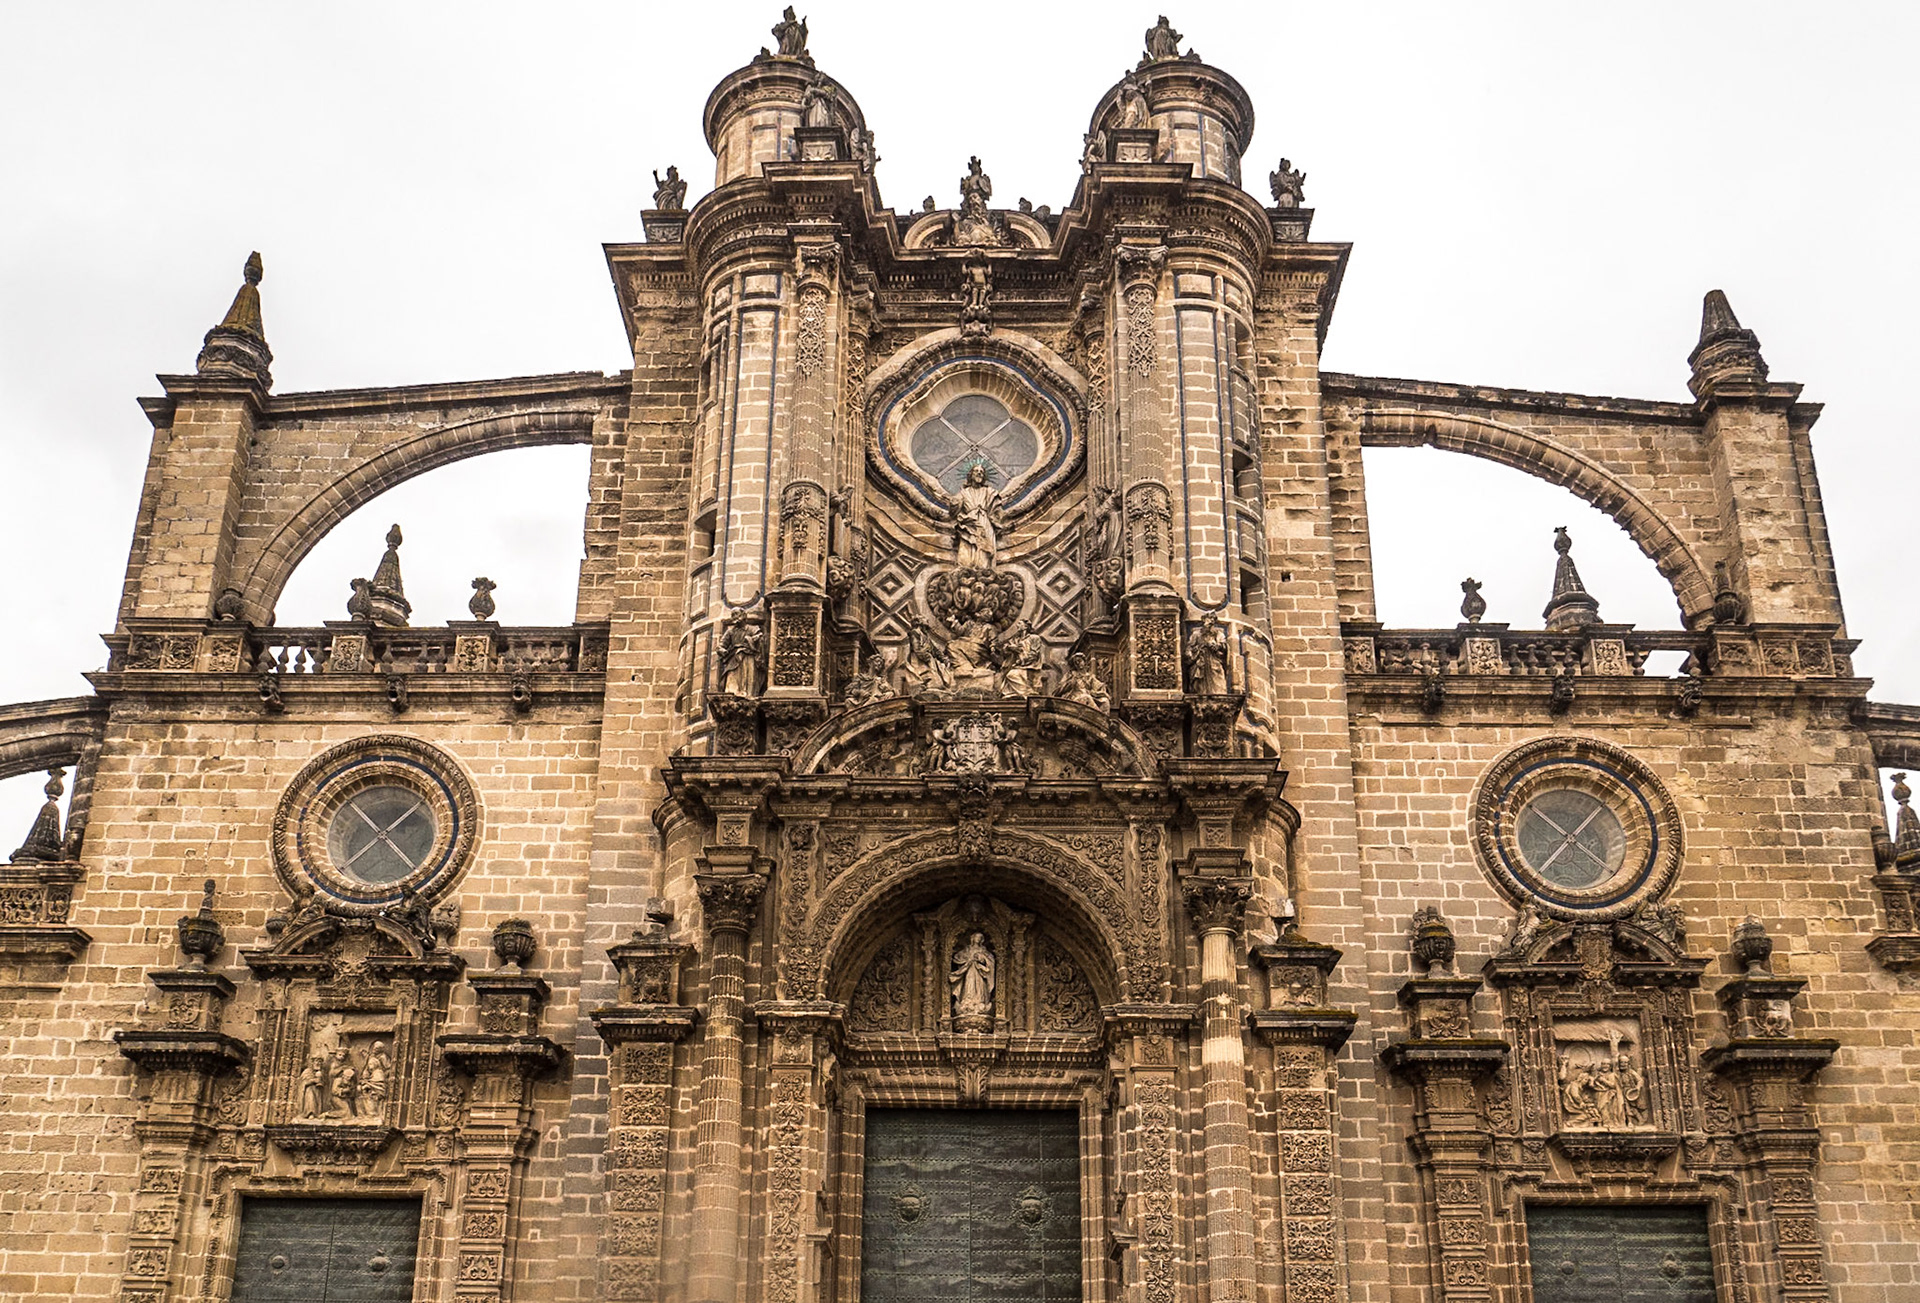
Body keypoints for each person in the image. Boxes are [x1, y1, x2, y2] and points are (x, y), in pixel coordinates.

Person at [952, 463, 1001, 570]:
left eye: (981, 472)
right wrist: (955, 502)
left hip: (984, 521)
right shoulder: (964, 492)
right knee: (968, 544)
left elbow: (997, 510)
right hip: (969, 522)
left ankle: (983, 567)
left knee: (984, 546)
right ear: (970, 475)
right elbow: (953, 510)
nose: (979, 473)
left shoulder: (989, 492)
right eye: (976, 471)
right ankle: (966, 567)